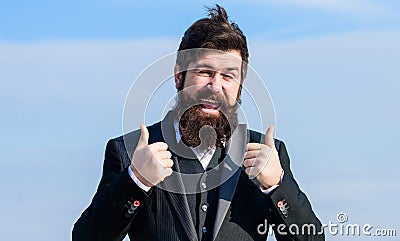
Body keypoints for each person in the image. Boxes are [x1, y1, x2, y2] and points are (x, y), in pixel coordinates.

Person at [73, 5, 324, 241]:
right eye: (204, 72)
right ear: (178, 76)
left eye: (228, 76)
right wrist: (136, 180)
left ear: (239, 87)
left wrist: (277, 186)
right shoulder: (130, 152)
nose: (215, 86)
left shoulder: (268, 154)